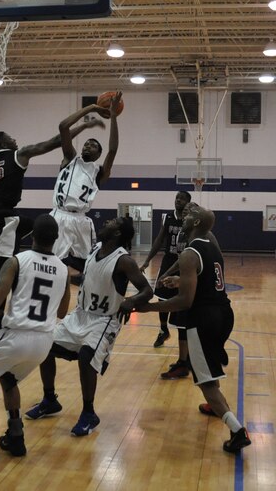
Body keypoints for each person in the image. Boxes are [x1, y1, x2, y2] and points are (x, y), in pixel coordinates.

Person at [119, 205, 251, 454]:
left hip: (203, 319)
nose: (186, 215)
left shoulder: (190, 253)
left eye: (191, 213)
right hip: (224, 313)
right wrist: (182, 279)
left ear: (196, 222)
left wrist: (148, 308)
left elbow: (184, 302)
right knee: (209, 367)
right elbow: (209, 281)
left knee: (205, 381)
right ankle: (215, 406)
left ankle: (236, 430)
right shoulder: (212, 244)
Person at [0, 116, 105, 330]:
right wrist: (84, 125)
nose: (14, 139)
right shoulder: (17, 155)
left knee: (43, 227)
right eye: (10, 138)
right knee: (2, 275)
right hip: (5, 219)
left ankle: (55, 272)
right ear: (2, 143)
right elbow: (54, 141)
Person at [25, 217, 153, 436]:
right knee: (44, 345)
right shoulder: (95, 250)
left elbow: (147, 290)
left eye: (112, 222)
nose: (106, 223)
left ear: (118, 233)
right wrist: (66, 277)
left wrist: (131, 301)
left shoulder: (124, 261)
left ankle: (89, 413)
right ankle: (49, 400)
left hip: (103, 321)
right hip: (80, 315)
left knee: (86, 357)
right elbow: (89, 278)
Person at [0, 214, 71, 464]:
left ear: (32, 237)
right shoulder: (63, 269)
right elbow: (62, 312)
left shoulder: (17, 261)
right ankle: (16, 435)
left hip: (15, 335)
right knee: (8, 378)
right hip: (43, 343)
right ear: (55, 239)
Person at [50, 91, 122, 283]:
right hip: (60, 215)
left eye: (93, 145)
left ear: (99, 154)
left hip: (81, 220)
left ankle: (85, 293)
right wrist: (91, 109)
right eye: (87, 144)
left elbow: (113, 149)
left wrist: (113, 116)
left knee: (88, 265)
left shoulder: (99, 172)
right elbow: (63, 127)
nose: (88, 146)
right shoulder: (70, 159)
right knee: (53, 263)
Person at [157, 201, 223, 380]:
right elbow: (182, 259)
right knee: (181, 324)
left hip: (198, 287)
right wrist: (168, 273)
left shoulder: (206, 235)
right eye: (184, 212)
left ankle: (194, 363)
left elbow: (215, 260)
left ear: (196, 217)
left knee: (189, 322)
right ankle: (184, 361)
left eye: (188, 212)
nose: (184, 215)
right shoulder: (186, 234)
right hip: (185, 279)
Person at [139, 191, 191, 354]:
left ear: (188, 202)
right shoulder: (168, 218)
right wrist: (148, 260)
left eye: (182, 199)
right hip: (169, 261)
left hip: (185, 262)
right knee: (162, 295)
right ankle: (163, 330)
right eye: (177, 198)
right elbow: (159, 240)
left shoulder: (190, 220)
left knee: (182, 299)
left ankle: (184, 337)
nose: (178, 201)